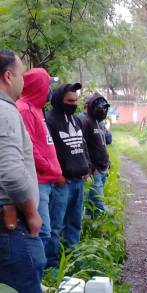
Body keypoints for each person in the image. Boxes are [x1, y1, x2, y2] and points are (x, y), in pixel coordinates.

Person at [0, 49, 46, 293]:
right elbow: (10, 172)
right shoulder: (6, 111)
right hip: (12, 228)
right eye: (21, 76)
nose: (23, 82)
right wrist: (30, 213)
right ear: (8, 76)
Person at [17, 68, 66, 250]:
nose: (50, 91)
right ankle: (38, 274)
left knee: (49, 229)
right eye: (48, 85)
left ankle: (48, 271)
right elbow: (29, 149)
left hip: (47, 180)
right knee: (41, 230)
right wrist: (50, 169)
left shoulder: (36, 109)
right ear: (39, 86)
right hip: (39, 181)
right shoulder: (25, 110)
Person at [45, 83, 91, 268]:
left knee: (74, 223)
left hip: (79, 181)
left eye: (76, 100)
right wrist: (58, 175)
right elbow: (50, 151)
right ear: (59, 100)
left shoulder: (76, 120)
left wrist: (86, 167)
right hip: (61, 183)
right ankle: (52, 265)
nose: (74, 104)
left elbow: (82, 144)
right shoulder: (49, 120)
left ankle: (73, 258)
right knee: (55, 227)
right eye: (70, 101)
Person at [79, 92, 111, 213]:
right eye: (100, 107)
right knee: (99, 205)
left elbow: (104, 142)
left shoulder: (99, 122)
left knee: (92, 204)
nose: (102, 110)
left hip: (103, 169)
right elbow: (81, 146)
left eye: (104, 108)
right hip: (94, 171)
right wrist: (90, 168)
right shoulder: (83, 120)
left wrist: (107, 161)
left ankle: (91, 228)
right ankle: (100, 230)